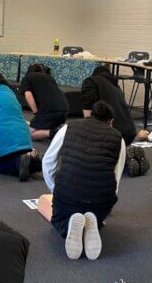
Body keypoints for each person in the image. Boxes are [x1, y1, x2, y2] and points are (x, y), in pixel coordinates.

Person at [42, 101, 125, 260]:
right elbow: (116, 177)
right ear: (111, 121)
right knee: (97, 214)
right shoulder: (118, 138)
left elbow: (48, 162)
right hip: (99, 201)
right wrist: (106, 204)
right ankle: (95, 223)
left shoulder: (68, 128)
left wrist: (55, 189)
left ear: (89, 115)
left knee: (57, 219)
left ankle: (68, 226)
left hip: (67, 195)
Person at [81, 65, 136, 145]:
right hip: (130, 134)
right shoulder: (117, 87)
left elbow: (88, 104)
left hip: (112, 133)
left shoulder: (91, 80)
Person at [21, 63, 69, 140]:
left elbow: (28, 95)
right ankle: (60, 129)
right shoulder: (50, 78)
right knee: (41, 126)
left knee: (29, 134)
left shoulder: (27, 78)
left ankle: (55, 133)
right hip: (65, 108)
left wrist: (36, 112)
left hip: (49, 109)